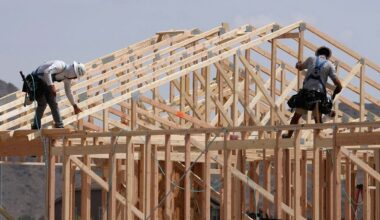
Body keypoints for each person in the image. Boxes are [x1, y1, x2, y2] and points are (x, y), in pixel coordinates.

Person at [282, 46, 342, 138]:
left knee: (296, 116)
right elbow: (336, 81)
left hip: (306, 94)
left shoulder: (311, 59)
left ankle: (289, 134)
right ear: (328, 56)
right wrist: (339, 87)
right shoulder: (330, 65)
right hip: (319, 95)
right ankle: (318, 139)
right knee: (317, 120)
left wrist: (298, 64)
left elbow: (300, 67)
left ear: (317, 54)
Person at [30, 60, 85, 129]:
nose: (75, 78)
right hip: (37, 80)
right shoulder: (60, 66)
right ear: (73, 71)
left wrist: (74, 105)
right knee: (42, 104)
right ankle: (36, 126)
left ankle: (59, 126)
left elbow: (68, 92)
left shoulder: (67, 78)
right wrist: (51, 86)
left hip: (46, 83)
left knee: (53, 103)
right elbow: (47, 72)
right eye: (76, 76)